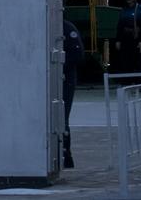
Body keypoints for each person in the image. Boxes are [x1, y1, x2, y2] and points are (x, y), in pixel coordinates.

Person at [61, 18, 84, 169]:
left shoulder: (67, 28)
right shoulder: (44, 28)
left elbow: (77, 54)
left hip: (65, 78)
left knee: (62, 117)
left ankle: (66, 154)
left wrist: (59, 64)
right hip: (51, 78)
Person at [113, 0, 141, 75]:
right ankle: (127, 81)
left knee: (138, 63)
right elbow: (120, 26)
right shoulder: (124, 10)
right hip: (125, 40)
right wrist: (118, 40)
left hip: (136, 40)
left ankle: (139, 81)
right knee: (125, 62)